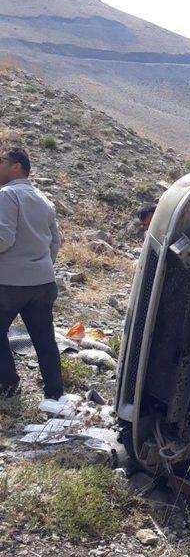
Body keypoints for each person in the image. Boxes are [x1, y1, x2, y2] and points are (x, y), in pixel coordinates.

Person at [0, 147, 63, 399]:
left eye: (1, 160)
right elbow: (55, 242)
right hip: (43, 283)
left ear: (17, 166)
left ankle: (8, 384)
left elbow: (3, 238)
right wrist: (42, 267)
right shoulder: (43, 198)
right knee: (45, 340)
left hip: (9, 284)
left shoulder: (7, 195)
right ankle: (55, 394)